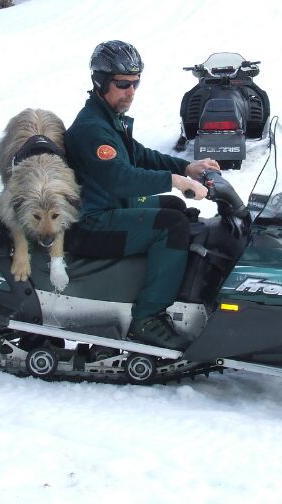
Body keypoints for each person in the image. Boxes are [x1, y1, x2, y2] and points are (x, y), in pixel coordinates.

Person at [65, 40, 220, 349]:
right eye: (123, 84)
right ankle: (147, 317)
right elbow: (121, 179)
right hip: (90, 225)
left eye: (136, 83)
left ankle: (171, 287)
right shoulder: (92, 129)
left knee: (175, 208)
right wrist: (175, 180)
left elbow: (138, 155)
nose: (131, 91)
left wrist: (186, 167)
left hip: (109, 206)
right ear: (101, 82)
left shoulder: (107, 119)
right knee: (171, 227)